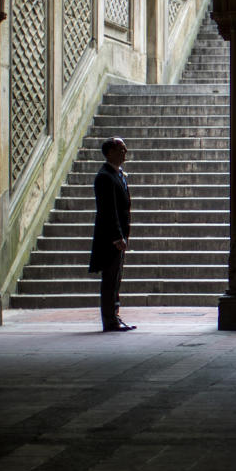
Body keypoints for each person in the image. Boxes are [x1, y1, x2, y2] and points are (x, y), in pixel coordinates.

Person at [88, 137, 136, 332]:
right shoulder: (104, 177)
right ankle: (109, 319)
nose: (125, 152)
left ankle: (114, 316)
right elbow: (108, 210)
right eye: (121, 149)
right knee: (110, 279)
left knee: (116, 278)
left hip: (119, 236)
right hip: (110, 239)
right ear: (110, 153)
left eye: (125, 149)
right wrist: (117, 237)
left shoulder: (118, 175)